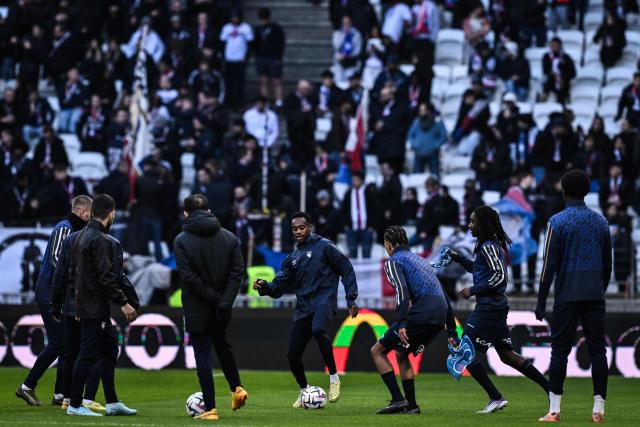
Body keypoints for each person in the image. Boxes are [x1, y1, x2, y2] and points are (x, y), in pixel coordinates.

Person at [447, 206, 549, 414]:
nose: (469, 225)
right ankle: (551, 389)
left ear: (483, 225)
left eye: (473, 222)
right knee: (507, 355)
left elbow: (499, 277)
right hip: (495, 307)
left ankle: (496, 397)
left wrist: (473, 289)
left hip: (489, 308)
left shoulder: (489, 247)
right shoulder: (487, 246)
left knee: (466, 353)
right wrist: (458, 257)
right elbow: (480, 270)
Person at [253, 211, 359, 407]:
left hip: (324, 300)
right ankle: (304, 391)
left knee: (318, 329)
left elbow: (345, 267)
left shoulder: (324, 246)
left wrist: (351, 299)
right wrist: (265, 286)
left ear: (309, 227)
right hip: (303, 307)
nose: (299, 231)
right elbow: (279, 286)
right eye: (295, 229)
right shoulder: (292, 257)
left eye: (302, 227)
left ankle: (334, 378)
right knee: (292, 355)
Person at [536, 170, 612, 423]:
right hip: (594, 293)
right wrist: (599, 288)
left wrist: (541, 302)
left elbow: (548, 266)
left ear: (563, 189)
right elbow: (608, 264)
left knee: (559, 351)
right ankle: (598, 408)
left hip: (567, 294)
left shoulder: (557, 222)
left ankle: (554, 410)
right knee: (597, 350)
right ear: (587, 190)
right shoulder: (601, 222)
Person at [173, 194, 248, 421]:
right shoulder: (229, 237)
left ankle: (210, 408)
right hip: (222, 307)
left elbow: (188, 277)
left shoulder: (181, 240)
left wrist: (213, 297)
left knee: (202, 354)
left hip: (197, 306)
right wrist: (224, 301)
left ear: (186, 213)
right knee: (223, 345)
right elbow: (237, 274)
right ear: (209, 210)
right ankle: (237, 388)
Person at [371, 226, 457, 414]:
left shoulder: (393, 261)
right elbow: (444, 296)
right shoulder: (422, 261)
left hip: (422, 313)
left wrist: (402, 323)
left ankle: (397, 399)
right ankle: (412, 405)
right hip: (439, 315)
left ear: (388, 244)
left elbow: (402, 291)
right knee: (401, 354)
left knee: (377, 350)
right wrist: (451, 330)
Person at [15, 196, 92, 407]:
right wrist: (78, 276)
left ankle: (60, 394)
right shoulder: (64, 228)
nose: (90, 219)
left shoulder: (71, 229)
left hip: (57, 293)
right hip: (50, 293)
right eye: (89, 215)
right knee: (60, 342)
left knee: (66, 343)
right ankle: (27, 386)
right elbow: (57, 258)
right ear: (83, 212)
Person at [66, 194, 137, 416]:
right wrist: (124, 303)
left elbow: (75, 274)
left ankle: (112, 401)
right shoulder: (100, 240)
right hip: (94, 306)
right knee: (87, 353)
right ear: (111, 213)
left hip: (87, 304)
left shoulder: (80, 236)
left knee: (109, 349)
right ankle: (75, 404)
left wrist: (77, 304)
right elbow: (106, 276)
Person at [254, 8, 286, 106]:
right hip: (261, 57)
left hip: (273, 57)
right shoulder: (257, 29)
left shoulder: (276, 28)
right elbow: (254, 44)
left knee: (276, 80)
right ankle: (265, 102)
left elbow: (281, 43)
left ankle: (279, 101)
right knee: (263, 80)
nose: (263, 21)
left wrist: (278, 57)